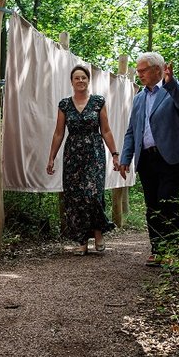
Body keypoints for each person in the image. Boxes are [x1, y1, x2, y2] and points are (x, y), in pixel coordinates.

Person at [116, 52, 179, 266]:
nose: (139, 74)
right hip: (147, 160)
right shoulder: (139, 97)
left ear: (157, 70)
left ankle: (173, 251)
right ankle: (158, 249)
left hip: (172, 157)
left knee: (167, 200)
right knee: (152, 205)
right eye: (138, 70)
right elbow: (132, 131)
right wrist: (125, 158)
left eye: (142, 70)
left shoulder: (174, 89)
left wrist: (171, 83)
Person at [46, 64, 121, 254]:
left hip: (94, 153)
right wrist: (51, 157)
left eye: (83, 77)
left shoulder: (97, 102)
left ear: (88, 80)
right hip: (72, 155)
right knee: (75, 198)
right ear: (71, 82)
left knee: (93, 195)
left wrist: (114, 154)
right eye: (76, 78)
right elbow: (58, 133)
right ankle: (81, 241)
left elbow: (106, 130)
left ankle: (98, 233)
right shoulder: (64, 104)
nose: (80, 81)